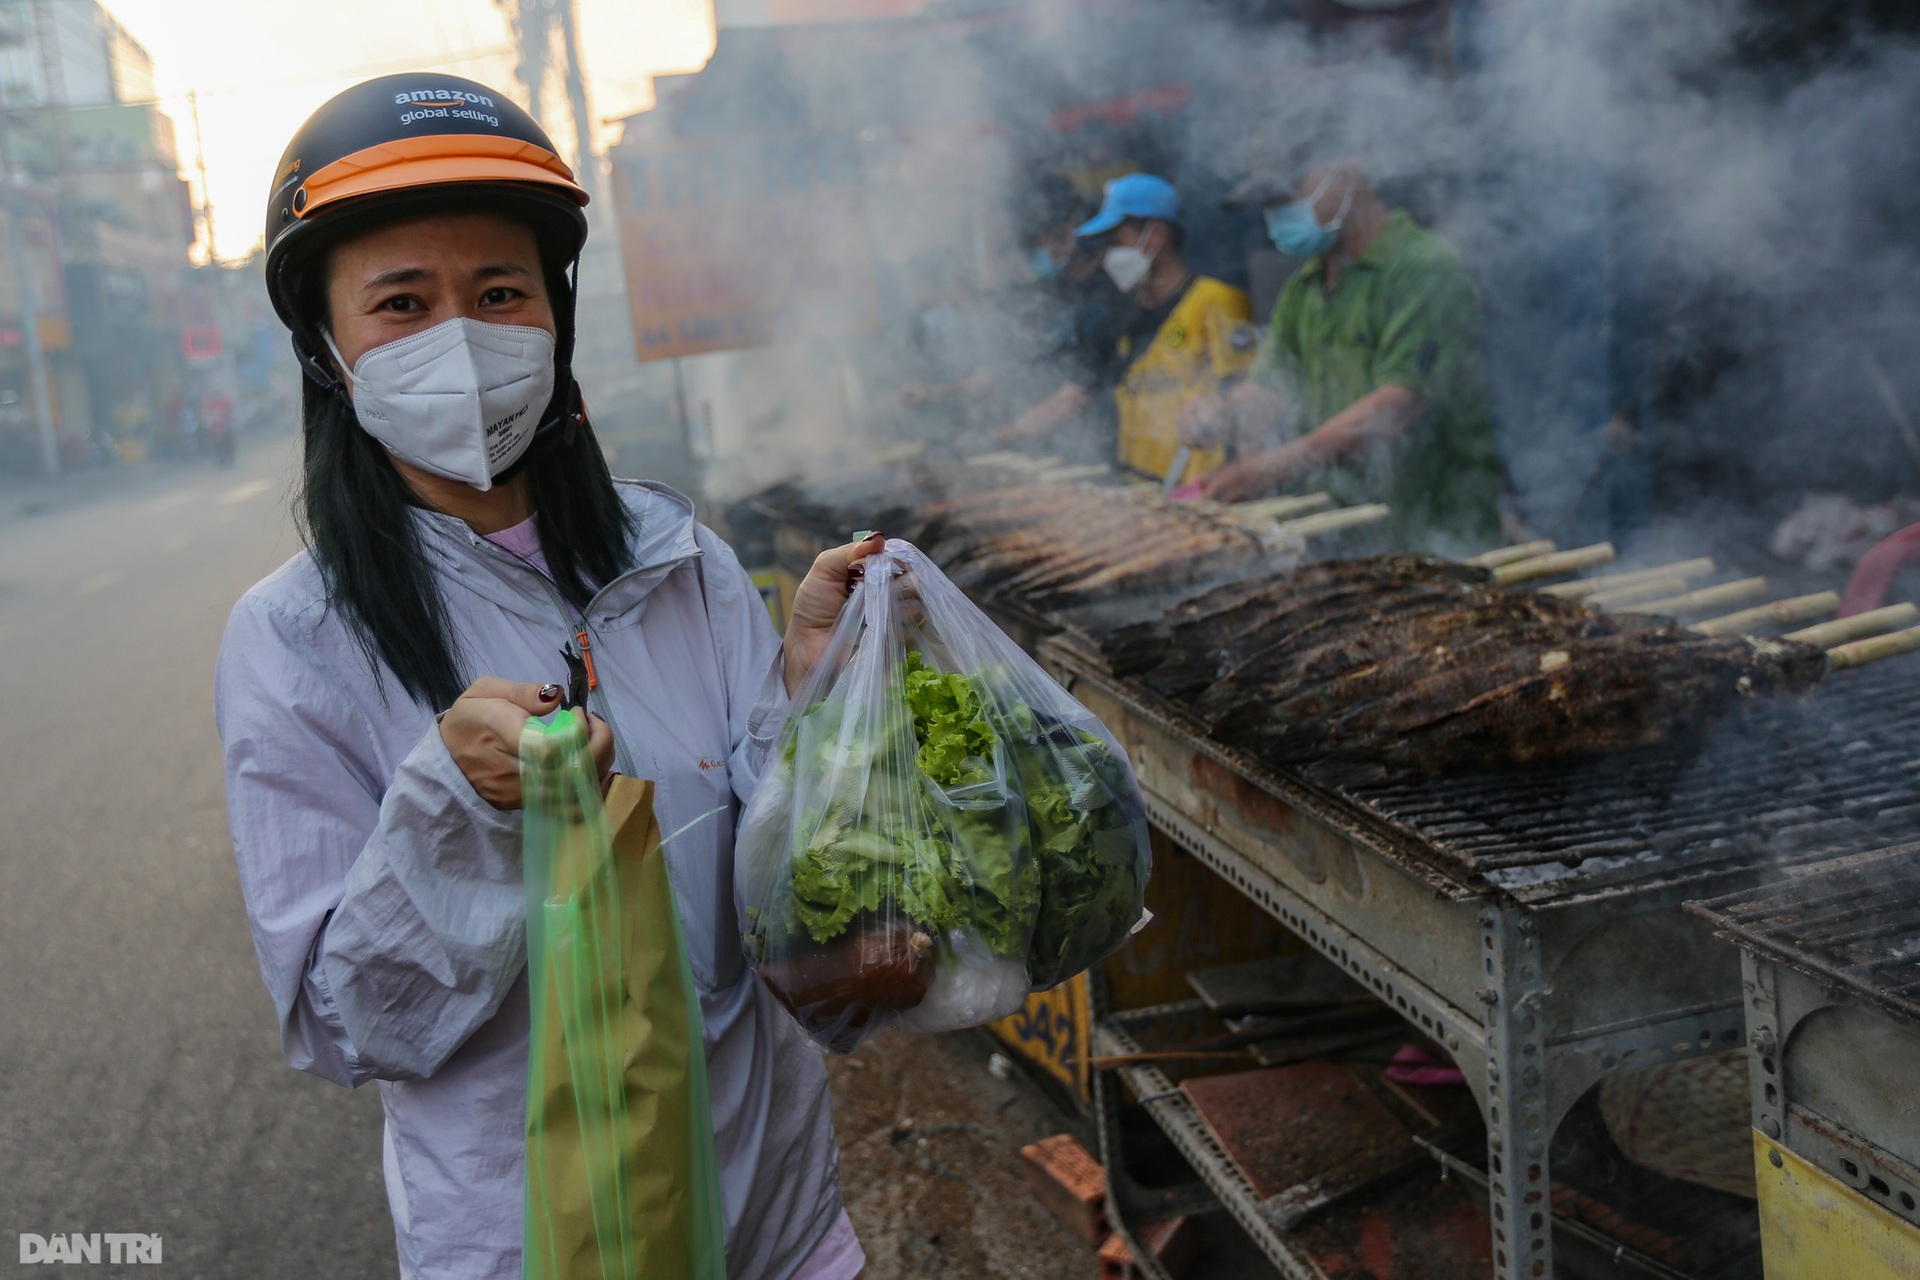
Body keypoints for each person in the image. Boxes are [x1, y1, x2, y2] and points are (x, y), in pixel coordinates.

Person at [215, 74, 874, 1280]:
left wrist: (818, 682)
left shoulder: (680, 559)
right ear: (325, 343)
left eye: (499, 293)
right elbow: (352, 1021)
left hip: (773, 1218)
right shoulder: (294, 642)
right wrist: (454, 811)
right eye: (401, 302)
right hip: (540, 1246)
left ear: (555, 316)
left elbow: (786, 876)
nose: (459, 339)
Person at [1185, 158, 1501, 550]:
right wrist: (1223, 415)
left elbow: (1397, 406)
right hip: (1336, 539)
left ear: (1349, 176)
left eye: (1287, 198)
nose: (1276, 217)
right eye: (1269, 206)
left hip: (1432, 535)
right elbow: (1269, 389)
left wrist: (1268, 469)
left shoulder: (1426, 268)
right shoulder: (1305, 287)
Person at [998, 173, 1257, 487]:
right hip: (1137, 488)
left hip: (1198, 489)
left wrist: (1246, 477)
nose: (1109, 255)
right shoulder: (1120, 312)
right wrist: (1002, 437)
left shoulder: (1217, 302)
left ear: (1157, 235)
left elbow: (1249, 401)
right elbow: (1073, 396)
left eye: (1116, 242)